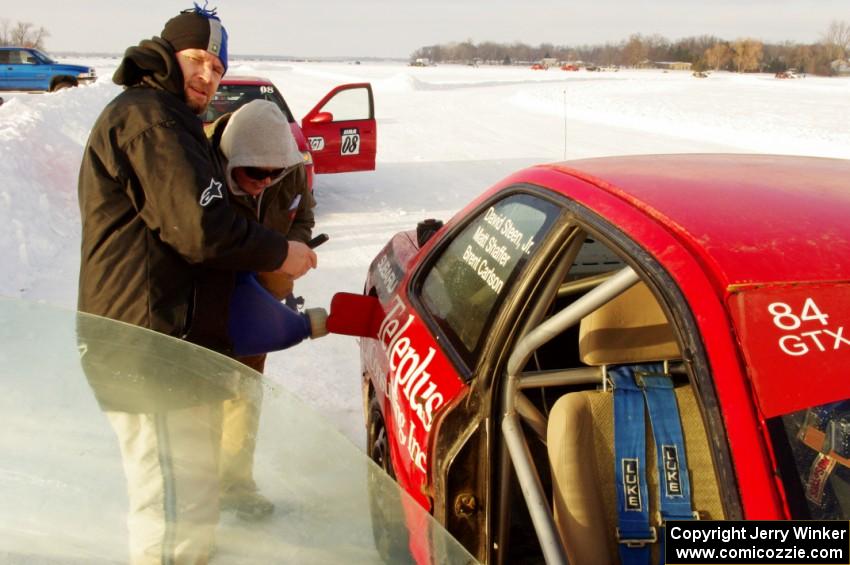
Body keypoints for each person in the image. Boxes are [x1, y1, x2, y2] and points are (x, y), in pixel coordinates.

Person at [77, 5, 316, 563]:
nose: (208, 75)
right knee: (171, 513)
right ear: (167, 54)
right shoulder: (150, 120)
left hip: (173, 348)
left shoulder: (172, 121)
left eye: (216, 65)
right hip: (147, 348)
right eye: (196, 60)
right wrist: (283, 250)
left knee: (193, 499)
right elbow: (199, 227)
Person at [206, 99, 316, 520]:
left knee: (244, 394)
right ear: (231, 158)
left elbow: (302, 215)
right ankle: (197, 497)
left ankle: (236, 486)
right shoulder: (200, 168)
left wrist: (290, 250)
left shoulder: (286, 174)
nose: (266, 181)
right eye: (255, 173)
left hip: (260, 300)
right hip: (210, 302)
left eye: (276, 173)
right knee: (201, 399)